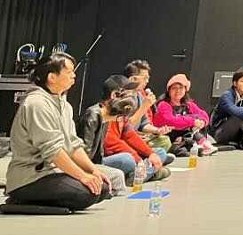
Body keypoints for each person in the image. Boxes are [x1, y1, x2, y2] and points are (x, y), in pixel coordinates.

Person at [5, 53, 116, 211]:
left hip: (52, 173)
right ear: (52, 77)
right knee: (85, 194)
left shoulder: (64, 105)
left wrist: (93, 170)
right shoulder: (37, 103)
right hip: (30, 177)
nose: (74, 75)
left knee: (102, 187)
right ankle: (21, 198)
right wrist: (82, 176)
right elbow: (53, 151)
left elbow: (73, 145)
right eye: (69, 72)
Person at [80, 75, 144, 181]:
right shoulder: (93, 115)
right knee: (125, 163)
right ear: (114, 95)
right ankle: (134, 177)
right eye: (127, 95)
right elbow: (84, 153)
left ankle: (136, 175)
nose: (131, 98)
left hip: (97, 162)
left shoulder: (107, 118)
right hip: (87, 164)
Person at [104, 96, 171, 184]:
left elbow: (130, 135)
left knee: (160, 152)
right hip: (107, 157)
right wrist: (138, 160)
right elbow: (111, 143)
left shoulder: (124, 114)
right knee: (127, 159)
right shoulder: (108, 115)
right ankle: (149, 173)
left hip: (126, 152)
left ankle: (138, 175)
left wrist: (151, 153)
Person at [152, 74, 217, 157]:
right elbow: (170, 121)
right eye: (174, 88)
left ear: (185, 90)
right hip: (169, 136)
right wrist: (192, 121)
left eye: (181, 88)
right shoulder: (163, 104)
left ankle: (203, 145)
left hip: (186, 135)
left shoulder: (189, 104)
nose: (178, 91)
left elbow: (204, 115)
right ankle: (196, 147)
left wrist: (202, 122)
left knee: (196, 128)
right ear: (169, 90)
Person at [125, 60, 173, 162]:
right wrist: (144, 106)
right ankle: (150, 160)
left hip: (137, 136)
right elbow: (126, 127)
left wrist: (157, 130)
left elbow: (144, 124)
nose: (147, 81)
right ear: (133, 78)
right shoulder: (123, 98)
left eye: (148, 78)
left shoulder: (139, 96)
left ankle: (152, 158)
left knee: (164, 141)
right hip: (126, 139)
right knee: (159, 152)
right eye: (144, 78)